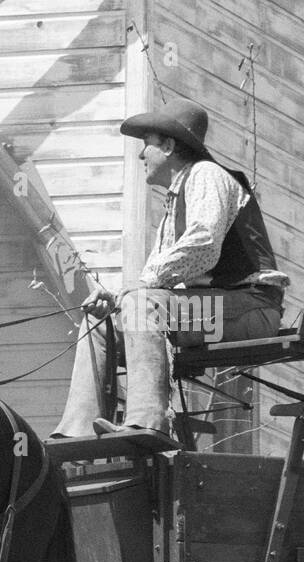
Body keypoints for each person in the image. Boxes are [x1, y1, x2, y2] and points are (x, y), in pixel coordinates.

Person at [53, 97, 289, 437]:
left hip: (251, 307)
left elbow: (203, 245)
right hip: (215, 308)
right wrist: (117, 298)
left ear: (168, 144)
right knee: (99, 320)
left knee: (141, 304)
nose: (140, 155)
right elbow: (151, 282)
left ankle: (147, 423)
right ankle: (78, 430)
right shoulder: (175, 198)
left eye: (146, 144)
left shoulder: (206, 175)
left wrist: (135, 292)